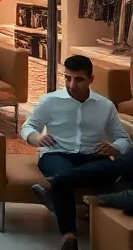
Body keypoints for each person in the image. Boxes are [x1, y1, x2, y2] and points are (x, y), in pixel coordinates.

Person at [28, 56, 133, 250]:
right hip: (57, 153)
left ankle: (53, 183)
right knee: (63, 174)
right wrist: (35, 137)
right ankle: (69, 237)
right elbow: (28, 127)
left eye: (79, 79)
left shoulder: (105, 106)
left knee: (106, 169)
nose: (71, 84)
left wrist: (115, 147)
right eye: (67, 78)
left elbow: (123, 139)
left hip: (93, 156)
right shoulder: (49, 101)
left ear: (91, 79)